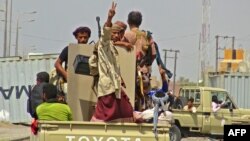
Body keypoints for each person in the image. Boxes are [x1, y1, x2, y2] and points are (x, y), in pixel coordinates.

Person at [91, 2, 133, 122]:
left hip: (114, 85)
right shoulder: (104, 44)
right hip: (107, 86)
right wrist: (110, 17)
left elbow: (113, 67)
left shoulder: (112, 47)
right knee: (107, 115)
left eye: (117, 33)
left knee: (125, 110)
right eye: (113, 33)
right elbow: (105, 35)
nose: (115, 35)